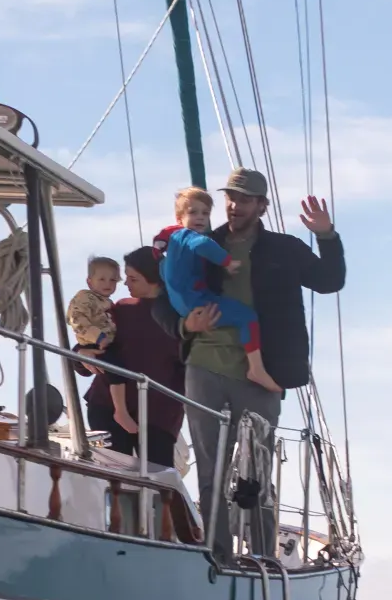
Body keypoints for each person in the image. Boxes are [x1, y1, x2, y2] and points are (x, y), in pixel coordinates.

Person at [153, 167, 345, 555]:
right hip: (205, 365)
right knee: (211, 469)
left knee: (258, 469)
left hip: (261, 373)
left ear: (262, 205)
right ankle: (217, 554)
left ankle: (262, 555)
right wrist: (183, 324)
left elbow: (330, 280)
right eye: (229, 198)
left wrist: (326, 235)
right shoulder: (201, 242)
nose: (233, 205)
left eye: (243, 199)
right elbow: (161, 296)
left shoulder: (285, 249)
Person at [155, 187, 278, 393]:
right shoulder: (187, 236)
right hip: (197, 302)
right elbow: (203, 243)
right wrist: (227, 262)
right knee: (247, 317)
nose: (200, 218)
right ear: (180, 217)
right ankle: (256, 369)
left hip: (185, 303)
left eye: (205, 213)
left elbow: (163, 270)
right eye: (193, 212)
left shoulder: (172, 244)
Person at [82, 245, 184, 469]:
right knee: (113, 483)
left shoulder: (179, 317)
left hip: (159, 417)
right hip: (107, 408)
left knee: (159, 487)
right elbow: (90, 340)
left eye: (133, 278)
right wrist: (81, 354)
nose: (125, 284)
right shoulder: (120, 309)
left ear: (153, 279)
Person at [67, 255, 120, 358]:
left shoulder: (110, 304)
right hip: (93, 343)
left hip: (109, 343)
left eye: (113, 280)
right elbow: (78, 320)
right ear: (89, 282)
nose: (107, 284)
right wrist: (99, 337)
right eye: (102, 279)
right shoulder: (85, 298)